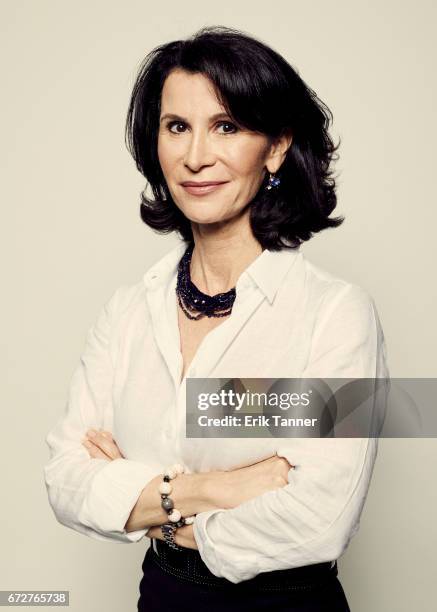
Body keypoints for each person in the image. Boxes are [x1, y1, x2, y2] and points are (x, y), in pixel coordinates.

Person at [44, 25, 389, 611]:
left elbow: (319, 517)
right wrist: (218, 488)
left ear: (276, 147)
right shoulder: (129, 310)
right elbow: (67, 482)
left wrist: (154, 509)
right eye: (177, 127)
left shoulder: (333, 313)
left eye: (226, 127)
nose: (196, 156)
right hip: (161, 597)